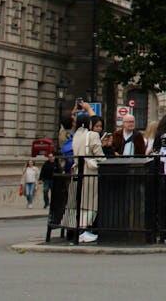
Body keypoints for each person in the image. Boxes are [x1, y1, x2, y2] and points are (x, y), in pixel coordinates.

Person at [63, 103, 103, 243]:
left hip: (77, 170)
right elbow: (99, 155)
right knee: (90, 203)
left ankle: (74, 228)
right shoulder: (92, 135)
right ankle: (84, 229)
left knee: (77, 202)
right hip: (89, 171)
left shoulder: (76, 136)